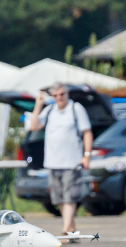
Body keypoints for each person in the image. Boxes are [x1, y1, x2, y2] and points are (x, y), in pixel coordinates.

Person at [29, 83, 92, 237]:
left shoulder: (75, 109)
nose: (59, 98)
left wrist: (86, 155)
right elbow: (33, 126)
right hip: (52, 162)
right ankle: (72, 231)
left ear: (67, 94)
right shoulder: (50, 110)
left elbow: (87, 132)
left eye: (61, 94)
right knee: (59, 199)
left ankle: (65, 230)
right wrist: (38, 105)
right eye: (55, 95)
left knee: (70, 196)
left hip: (72, 162)